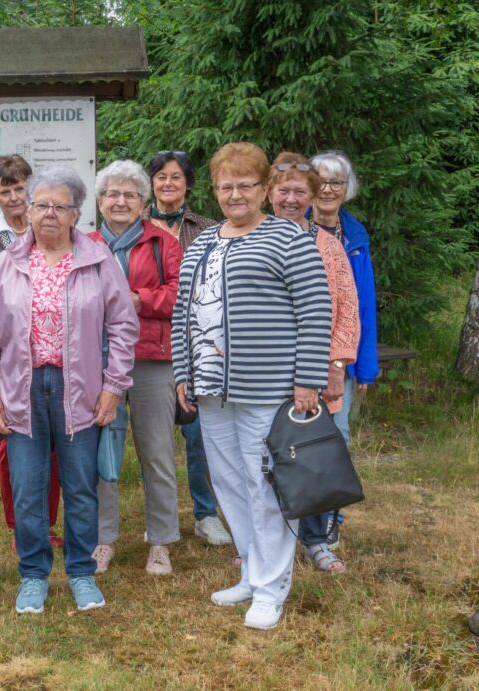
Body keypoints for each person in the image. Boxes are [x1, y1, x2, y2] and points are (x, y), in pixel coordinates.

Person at [172, 142, 331, 630]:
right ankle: (251, 568)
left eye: (245, 185)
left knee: (265, 487)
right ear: (215, 191)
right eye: (226, 186)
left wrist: (308, 380)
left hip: (268, 387)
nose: (235, 194)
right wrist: (183, 372)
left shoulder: (288, 238)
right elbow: (184, 312)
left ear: (263, 189)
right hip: (212, 390)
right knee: (231, 483)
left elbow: (315, 309)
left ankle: (271, 587)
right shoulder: (202, 243)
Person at [0, 165, 139, 614]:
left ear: (75, 213)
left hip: (79, 387)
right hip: (21, 388)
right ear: (27, 210)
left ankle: (81, 572)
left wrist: (113, 387)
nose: (49, 214)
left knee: (80, 485)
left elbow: (124, 327)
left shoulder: (98, 261)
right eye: (40, 205)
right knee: (28, 486)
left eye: (59, 206)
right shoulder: (5, 264)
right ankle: (32, 575)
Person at [88, 160, 182, 576]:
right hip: (97, 364)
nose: (120, 201)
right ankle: (102, 539)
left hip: (150, 361)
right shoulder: (84, 244)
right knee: (101, 454)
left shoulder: (165, 244)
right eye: (112, 193)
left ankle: (160, 541)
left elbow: (182, 295)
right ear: (100, 201)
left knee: (157, 453)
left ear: (144, 202)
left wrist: (140, 300)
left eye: (129, 194)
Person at [268, 152, 360, 573]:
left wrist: (336, 366)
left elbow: (346, 308)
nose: (290, 199)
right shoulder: (254, 237)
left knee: (318, 455)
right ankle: (262, 541)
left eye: (298, 192)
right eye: (282, 191)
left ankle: (317, 539)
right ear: (267, 193)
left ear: (310, 197)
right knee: (265, 457)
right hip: (264, 371)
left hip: (317, 370)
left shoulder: (329, 245)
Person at [144, 150, 233, 550]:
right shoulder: (136, 228)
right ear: (151, 183)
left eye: (176, 177)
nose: (168, 184)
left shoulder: (211, 229)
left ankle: (205, 513)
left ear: (188, 184)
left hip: (200, 346)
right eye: (161, 177)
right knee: (154, 441)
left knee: (200, 436)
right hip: (150, 347)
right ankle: (158, 516)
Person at [0, 154, 62, 548]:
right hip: (12, 355)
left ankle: (48, 524)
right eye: (4, 191)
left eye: (18, 187)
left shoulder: (55, 224)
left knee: (56, 449)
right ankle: (19, 527)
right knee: (12, 447)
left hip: (55, 349)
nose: (13, 197)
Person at [309, 150, 380, 548]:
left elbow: (363, 305)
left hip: (342, 356)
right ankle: (294, 516)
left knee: (337, 437)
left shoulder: (355, 236)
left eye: (337, 182)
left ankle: (330, 519)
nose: (328, 189)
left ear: (346, 189)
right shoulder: (293, 230)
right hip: (298, 355)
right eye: (321, 180)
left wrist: (364, 365)